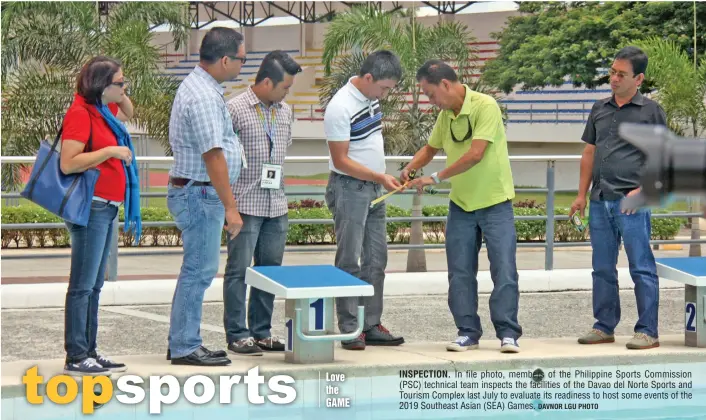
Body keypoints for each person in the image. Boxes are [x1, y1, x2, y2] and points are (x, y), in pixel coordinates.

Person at [405, 60, 522, 354]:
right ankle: (467, 332)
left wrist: (433, 178)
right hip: (461, 206)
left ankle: (508, 333)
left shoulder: (486, 106)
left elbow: (475, 154)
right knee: (459, 272)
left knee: (504, 270)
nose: (430, 102)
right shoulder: (446, 116)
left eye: (430, 94)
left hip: (495, 202)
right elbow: (431, 148)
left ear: (446, 84)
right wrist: (409, 169)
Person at [571, 46, 667, 350]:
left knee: (641, 266)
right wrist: (581, 195)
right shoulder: (599, 108)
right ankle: (604, 327)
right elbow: (589, 152)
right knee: (601, 267)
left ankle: (647, 331)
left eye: (620, 74)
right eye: (612, 71)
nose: (613, 78)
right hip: (599, 200)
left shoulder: (651, 112)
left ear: (638, 78)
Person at [166, 27, 246, 366]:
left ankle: (184, 341)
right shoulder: (202, 96)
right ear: (225, 59)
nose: (243, 65)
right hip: (199, 193)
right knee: (199, 270)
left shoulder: (205, 88)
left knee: (199, 268)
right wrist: (231, 207)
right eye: (241, 59)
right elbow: (212, 156)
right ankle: (185, 345)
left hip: (199, 192)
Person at [59, 56, 140, 376]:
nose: (124, 88)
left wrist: (119, 93)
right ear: (100, 85)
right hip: (90, 207)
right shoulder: (80, 113)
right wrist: (110, 152)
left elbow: (131, 113)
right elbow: (68, 162)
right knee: (82, 283)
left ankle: (89, 349)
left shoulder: (103, 111)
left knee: (94, 284)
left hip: (107, 207)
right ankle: (76, 355)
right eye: (119, 83)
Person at [323, 50, 405, 351]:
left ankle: (370, 324)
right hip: (350, 189)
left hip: (373, 189)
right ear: (368, 78)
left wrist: (381, 178)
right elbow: (340, 160)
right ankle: (349, 328)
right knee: (349, 259)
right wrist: (379, 176)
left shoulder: (371, 99)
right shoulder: (340, 107)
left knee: (376, 259)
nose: (385, 94)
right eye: (384, 87)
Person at [223, 50, 301, 356]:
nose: (287, 93)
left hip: (276, 205)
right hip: (244, 203)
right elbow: (222, 158)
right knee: (239, 271)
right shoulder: (235, 109)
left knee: (270, 271)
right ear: (267, 82)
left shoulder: (285, 112)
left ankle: (261, 331)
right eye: (285, 87)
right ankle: (237, 334)